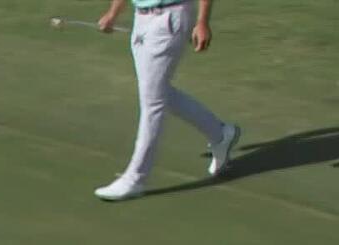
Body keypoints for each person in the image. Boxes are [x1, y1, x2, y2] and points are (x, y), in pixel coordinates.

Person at [93, 0, 240, 201]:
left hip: (169, 19)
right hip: (142, 19)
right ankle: (220, 133)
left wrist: (202, 21)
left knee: (152, 103)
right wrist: (113, 13)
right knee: (157, 93)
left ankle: (135, 178)